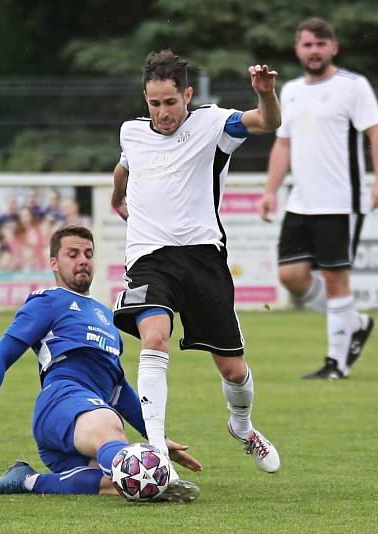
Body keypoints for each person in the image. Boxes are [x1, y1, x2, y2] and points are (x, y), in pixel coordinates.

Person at [110, 50, 281, 473]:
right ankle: (157, 453)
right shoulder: (131, 131)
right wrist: (118, 197)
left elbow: (268, 122)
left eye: (171, 102)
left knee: (233, 369)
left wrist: (267, 95)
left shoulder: (214, 124)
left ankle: (242, 426)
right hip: (151, 258)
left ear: (187, 94)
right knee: (154, 338)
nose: (163, 112)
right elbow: (124, 167)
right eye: (155, 103)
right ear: (145, 99)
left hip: (204, 258)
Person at [0, 225, 202, 502]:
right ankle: (141, 470)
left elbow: (118, 389)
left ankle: (26, 480)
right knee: (120, 443)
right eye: (72, 254)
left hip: (86, 427)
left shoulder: (105, 316)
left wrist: (157, 437)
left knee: (118, 483)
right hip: (62, 403)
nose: (83, 260)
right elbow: (0, 356)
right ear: (54, 262)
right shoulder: (48, 302)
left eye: (88, 254)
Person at [260, 17, 378, 380]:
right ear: (297, 50)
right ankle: (355, 323)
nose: (314, 51)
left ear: (333, 48)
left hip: (340, 201)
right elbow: (282, 144)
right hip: (300, 201)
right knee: (291, 276)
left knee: (336, 280)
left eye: (321, 44)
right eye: (307, 44)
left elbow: (377, 133)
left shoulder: (353, 85)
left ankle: (336, 363)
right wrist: (271, 190)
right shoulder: (289, 90)